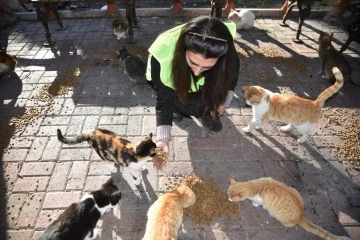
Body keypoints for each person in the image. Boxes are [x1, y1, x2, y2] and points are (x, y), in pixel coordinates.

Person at [146, 16, 240, 170]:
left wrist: (223, 102)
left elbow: (232, 74)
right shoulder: (163, 56)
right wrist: (163, 139)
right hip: (172, 82)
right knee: (188, 106)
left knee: (214, 93)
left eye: (206, 67)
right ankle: (180, 107)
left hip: (205, 81)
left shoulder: (223, 46)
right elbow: (163, 101)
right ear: (183, 50)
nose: (197, 72)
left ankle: (207, 108)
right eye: (193, 63)